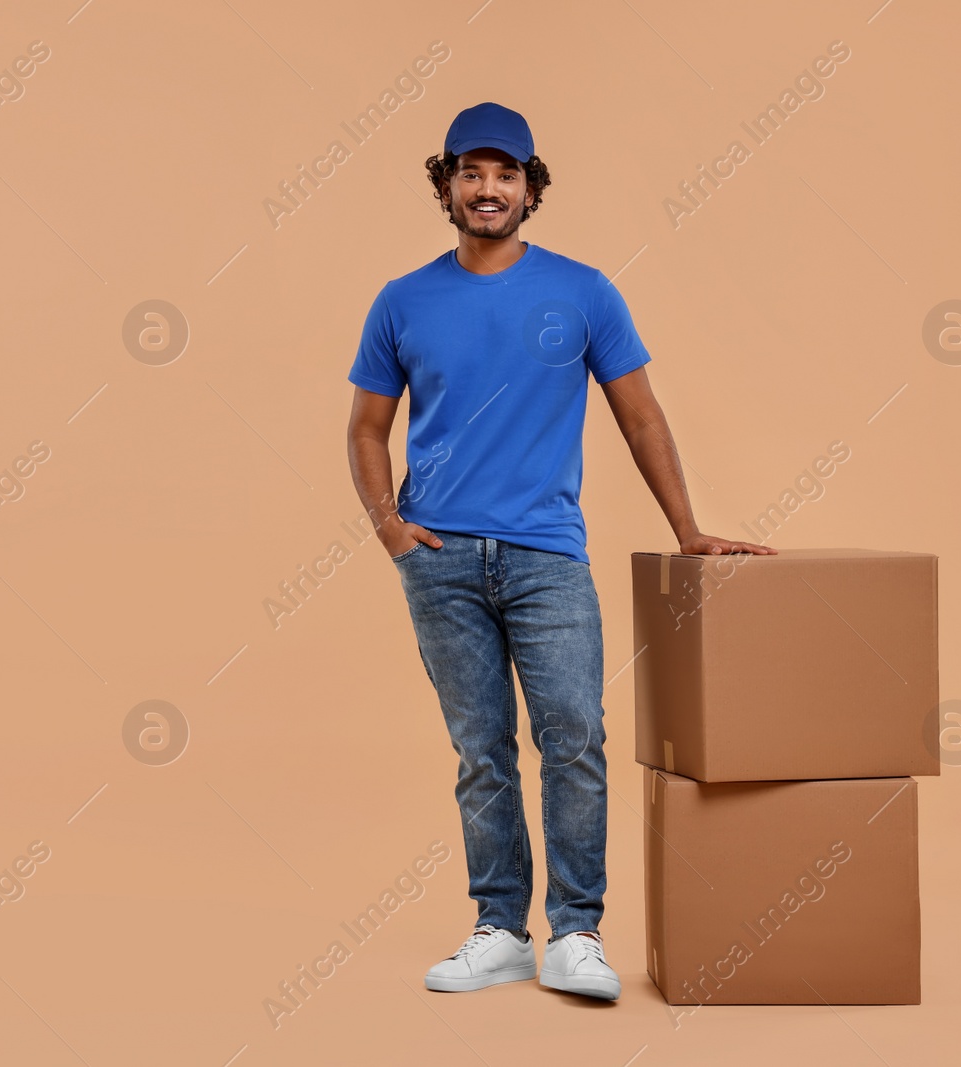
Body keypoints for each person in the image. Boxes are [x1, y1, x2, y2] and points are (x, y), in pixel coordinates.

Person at [344, 102, 776, 1001]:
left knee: (574, 737)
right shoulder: (402, 299)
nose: (488, 188)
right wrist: (390, 526)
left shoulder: (583, 291)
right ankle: (500, 927)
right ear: (447, 186)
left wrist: (687, 530)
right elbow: (366, 428)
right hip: (442, 558)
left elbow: (640, 415)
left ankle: (577, 932)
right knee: (482, 750)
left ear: (530, 191)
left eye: (506, 175)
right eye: (472, 172)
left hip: (547, 555)